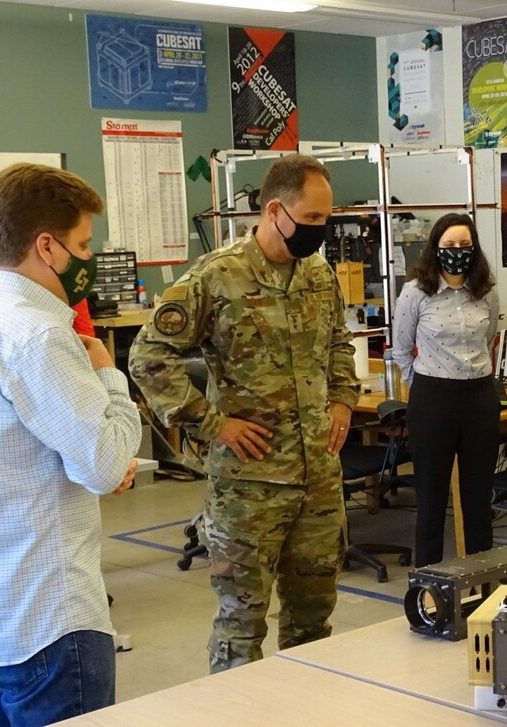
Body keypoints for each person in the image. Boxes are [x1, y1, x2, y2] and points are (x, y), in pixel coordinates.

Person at [0, 163, 141, 724]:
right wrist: (110, 377)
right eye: (84, 244)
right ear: (48, 246)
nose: (89, 260)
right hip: (47, 618)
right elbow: (107, 464)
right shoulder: (39, 336)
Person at [128, 154, 359, 673]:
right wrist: (214, 425)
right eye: (314, 219)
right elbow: (147, 357)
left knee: (314, 624)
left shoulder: (318, 274)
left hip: (317, 479)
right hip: (249, 487)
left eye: (327, 219)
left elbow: (339, 342)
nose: (321, 231)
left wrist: (342, 396)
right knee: (241, 628)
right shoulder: (217, 277)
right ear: (276, 210)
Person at [392, 213, 500, 567]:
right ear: (435, 248)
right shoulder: (415, 292)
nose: (457, 252)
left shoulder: (486, 290)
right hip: (433, 399)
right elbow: (401, 349)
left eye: (465, 246)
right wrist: (423, 384)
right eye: (450, 246)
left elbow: (488, 339)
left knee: (478, 498)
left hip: (480, 398)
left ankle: (482, 582)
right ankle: (429, 587)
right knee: (432, 500)